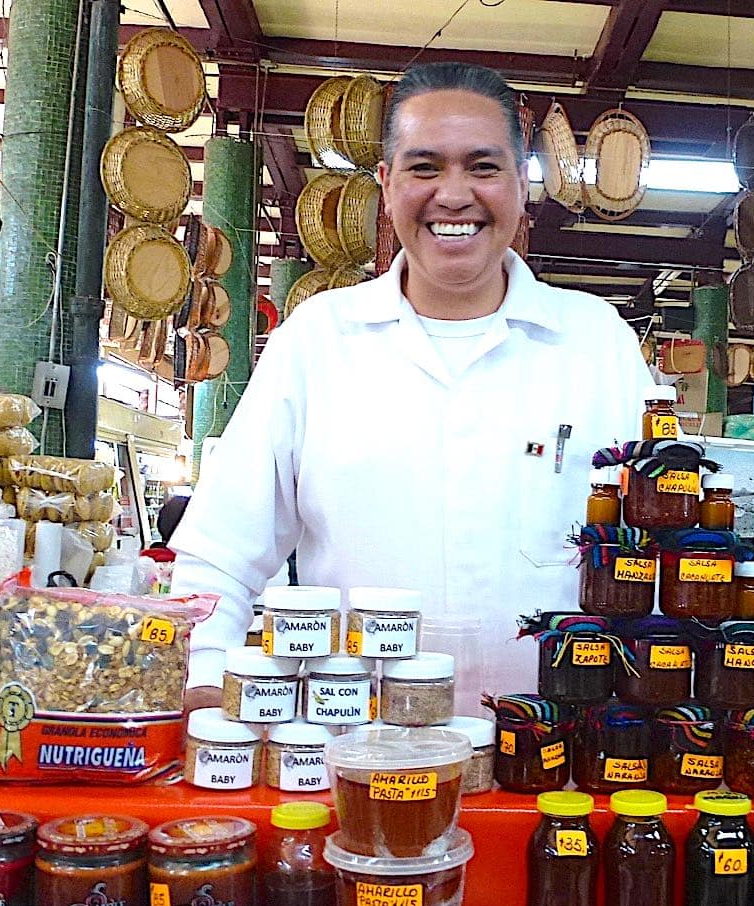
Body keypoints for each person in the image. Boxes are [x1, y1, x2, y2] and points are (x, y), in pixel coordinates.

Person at [170, 62, 655, 712]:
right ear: (387, 184)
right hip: (348, 763)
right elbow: (218, 555)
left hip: (556, 766)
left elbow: (658, 553)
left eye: (483, 167)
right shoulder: (318, 342)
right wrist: (205, 679)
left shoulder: (598, 345)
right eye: (425, 167)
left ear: (520, 184)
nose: (454, 196)